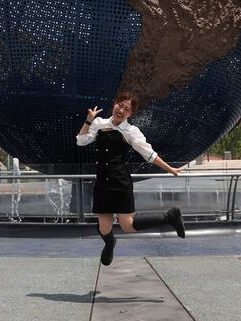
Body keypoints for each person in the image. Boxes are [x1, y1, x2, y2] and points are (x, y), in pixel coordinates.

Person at [77, 92, 185, 267]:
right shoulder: (99, 123)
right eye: (120, 105)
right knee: (104, 228)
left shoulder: (131, 131)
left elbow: (148, 154)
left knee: (127, 225)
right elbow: (81, 141)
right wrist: (88, 120)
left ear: (130, 114)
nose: (122, 110)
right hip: (102, 182)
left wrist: (170, 169)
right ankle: (110, 242)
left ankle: (170, 217)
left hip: (120, 182)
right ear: (115, 104)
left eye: (127, 109)